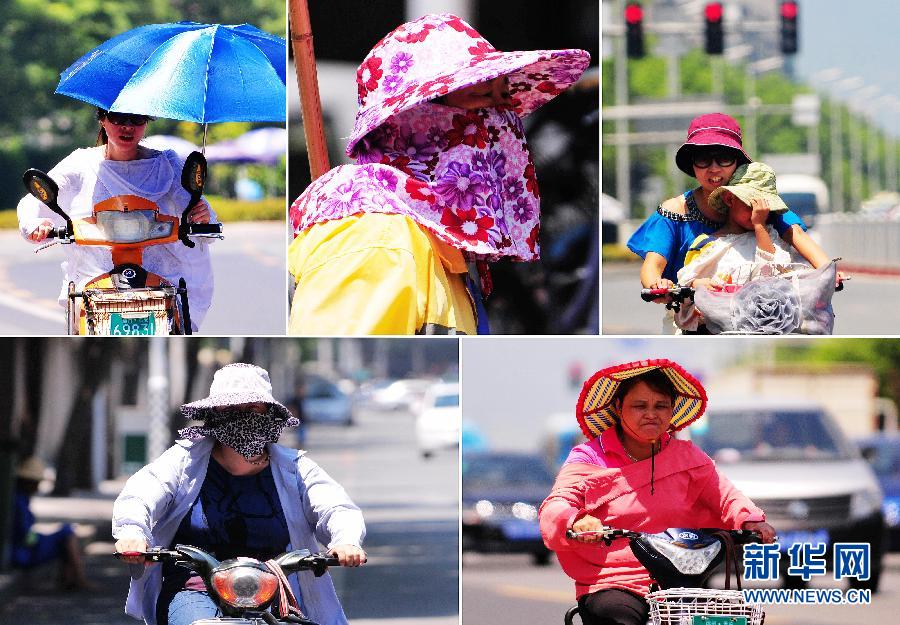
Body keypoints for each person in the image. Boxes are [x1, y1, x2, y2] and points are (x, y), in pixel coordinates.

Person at [288, 13, 591, 335]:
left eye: (503, 100)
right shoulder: (377, 236)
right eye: (481, 98)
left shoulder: (432, 237)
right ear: (416, 116)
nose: (499, 121)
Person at [112, 363, 366, 625]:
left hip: (270, 594)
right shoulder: (182, 461)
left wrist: (345, 540)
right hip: (195, 590)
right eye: (231, 409)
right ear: (214, 414)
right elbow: (140, 493)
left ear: (269, 414)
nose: (242, 417)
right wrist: (132, 532)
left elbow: (335, 507)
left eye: (252, 408)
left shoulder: (296, 469)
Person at [539, 359, 776, 625]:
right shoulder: (589, 457)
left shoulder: (689, 457)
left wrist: (751, 519)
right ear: (619, 408)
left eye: (660, 406)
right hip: (614, 581)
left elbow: (725, 496)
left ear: (672, 409)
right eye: (640, 406)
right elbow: (556, 505)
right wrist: (576, 521)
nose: (651, 414)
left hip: (682, 578)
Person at [626, 113, 829, 332]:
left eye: (723, 158)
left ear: (737, 163)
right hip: (695, 315)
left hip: (762, 313)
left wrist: (828, 272)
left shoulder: (759, 203)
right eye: (703, 159)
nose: (714, 168)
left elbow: (797, 235)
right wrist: (659, 286)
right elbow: (652, 267)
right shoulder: (675, 210)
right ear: (692, 164)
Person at [17, 108, 216, 331]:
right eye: (118, 117)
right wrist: (34, 224)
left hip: (163, 281)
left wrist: (202, 215)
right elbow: (32, 201)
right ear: (102, 119)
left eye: (137, 118)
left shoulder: (167, 164)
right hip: (95, 281)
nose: (127, 126)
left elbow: (197, 207)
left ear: (147, 122)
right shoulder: (81, 162)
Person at [674, 162, 813, 332]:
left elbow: (773, 273)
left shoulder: (771, 238)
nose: (757, 213)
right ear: (730, 199)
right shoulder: (706, 244)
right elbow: (684, 282)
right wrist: (697, 283)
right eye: (751, 206)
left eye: (764, 209)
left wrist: (759, 226)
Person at [11, 456, 92, 590]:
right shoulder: (18, 502)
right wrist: (37, 538)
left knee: (65, 533)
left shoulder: (22, 499)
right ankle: (78, 578)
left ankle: (70, 578)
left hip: (24, 546)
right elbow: (24, 535)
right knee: (67, 533)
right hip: (22, 552)